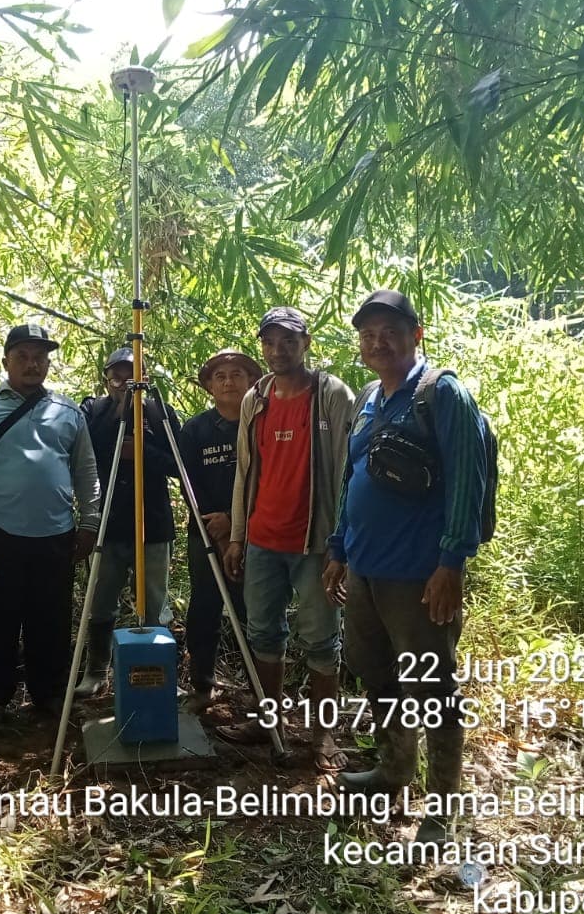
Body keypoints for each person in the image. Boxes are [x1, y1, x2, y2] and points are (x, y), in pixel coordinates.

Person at [323, 289, 488, 846]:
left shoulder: (440, 394)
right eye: (368, 334)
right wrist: (339, 549)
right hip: (366, 571)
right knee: (378, 673)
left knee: (432, 686)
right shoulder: (371, 396)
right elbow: (353, 480)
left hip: (419, 576)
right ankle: (394, 769)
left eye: (390, 330)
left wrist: (452, 564)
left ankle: (442, 806)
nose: (378, 342)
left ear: (416, 334)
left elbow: (467, 482)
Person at [220, 307, 355, 772]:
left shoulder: (331, 394)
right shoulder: (256, 397)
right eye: (270, 342)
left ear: (306, 343)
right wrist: (238, 535)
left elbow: (348, 472)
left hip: (315, 543)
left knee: (321, 641)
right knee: (263, 634)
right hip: (262, 540)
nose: (278, 351)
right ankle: (267, 721)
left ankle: (323, 735)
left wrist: (343, 544)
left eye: (288, 341)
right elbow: (243, 470)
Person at [0, 323, 100, 717]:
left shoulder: (68, 412)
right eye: (22, 357)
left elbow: (86, 472)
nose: (32, 364)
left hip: (56, 536)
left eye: (39, 357)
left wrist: (89, 523)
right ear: (6, 361)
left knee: (50, 616)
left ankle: (49, 695)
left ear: (48, 363)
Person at [74, 347, 183, 698]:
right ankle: (95, 672)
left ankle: (162, 673)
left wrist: (141, 452)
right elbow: (84, 453)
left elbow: (177, 466)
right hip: (108, 523)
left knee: (154, 604)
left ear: (146, 378)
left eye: (132, 375)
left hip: (152, 524)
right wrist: (120, 415)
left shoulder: (161, 414)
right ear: (107, 380)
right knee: (101, 600)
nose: (125, 383)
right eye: (118, 376)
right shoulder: (93, 410)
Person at [177, 348, 262, 708]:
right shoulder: (195, 429)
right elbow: (187, 481)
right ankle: (202, 684)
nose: (229, 382)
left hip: (256, 533)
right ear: (210, 386)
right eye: (220, 377)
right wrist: (218, 523)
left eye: (237, 375)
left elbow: (268, 477)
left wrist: (235, 521)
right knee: (205, 607)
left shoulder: (261, 421)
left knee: (252, 609)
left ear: (251, 381)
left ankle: (259, 690)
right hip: (206, 533)